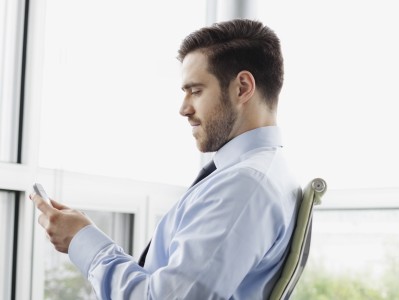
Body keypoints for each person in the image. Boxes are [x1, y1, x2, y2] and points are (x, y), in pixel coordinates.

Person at [30, 19, 300, 299]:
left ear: (242, 88)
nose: (183, 109)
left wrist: (82, 240)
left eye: (195, 91)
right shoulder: (262, 173)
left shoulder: (245, 185)